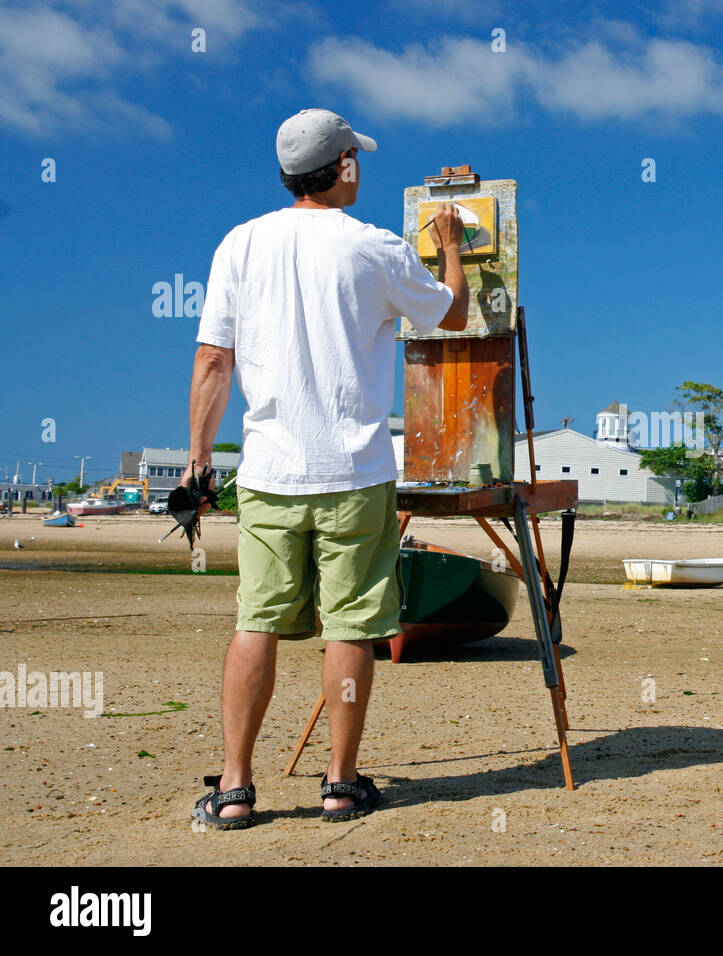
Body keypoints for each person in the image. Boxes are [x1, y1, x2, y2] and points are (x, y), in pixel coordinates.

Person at [187, 108, 469, 830]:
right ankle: (340, 785)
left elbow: (213, 360)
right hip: (354, 470)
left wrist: (198, 460)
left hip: (270, 473)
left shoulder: (239, 244)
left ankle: (235, 788)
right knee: (349, 628)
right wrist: (450, 246)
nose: (360, 169)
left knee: (256, 622)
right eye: (356, 159)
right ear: (343, 166)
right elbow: (453, 316)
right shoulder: (373, 247)